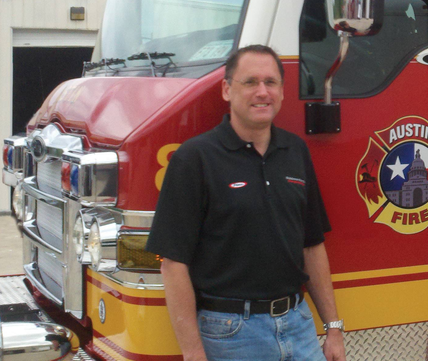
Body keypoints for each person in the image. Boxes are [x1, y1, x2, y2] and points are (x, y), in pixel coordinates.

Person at [147, 45, 345, 361]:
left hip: (299, 325)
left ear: (282, 91)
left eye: (271, 82)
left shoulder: (295, 151)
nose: (262, 92)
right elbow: (173, 264)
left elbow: (312, 245)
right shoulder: (195, 158)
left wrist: (333, 328)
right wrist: (193, 352)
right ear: (227, 89)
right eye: (250, 82)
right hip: (231, 334)